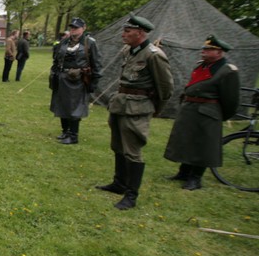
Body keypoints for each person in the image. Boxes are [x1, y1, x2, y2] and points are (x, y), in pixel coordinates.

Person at [96, 15, 173, 210]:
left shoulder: (154, 55)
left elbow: (165, 88)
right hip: (120, 105)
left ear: (140, 33)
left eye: (127, 31)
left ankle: (131, 195)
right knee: (118, 146)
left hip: (137, 108)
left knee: (132, 151)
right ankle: (119, 183)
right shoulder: (128, 51)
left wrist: (155, 109)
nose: (123, 34)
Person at [163, 35, 241, 190]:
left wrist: (219, 116)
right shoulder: (201, 66)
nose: (203, 51)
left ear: (219, 52)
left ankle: (195, 178)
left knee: (202, 146)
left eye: (209, 49)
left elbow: (231, 100)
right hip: (191, 109)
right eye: (204, 48)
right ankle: (183, 173)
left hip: (208, 112)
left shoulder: (227, 71)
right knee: (187, 141)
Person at [49, 18, 102, 144]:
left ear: (84, 28)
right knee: (62, 104)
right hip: (62, 78)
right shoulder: (64, 41)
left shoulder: (90, 43)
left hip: (78, 81)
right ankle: (65, 131)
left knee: (74, 107)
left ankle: (73, 135)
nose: (73, 30)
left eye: (76, 27)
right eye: (72, 27)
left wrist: (93, 83)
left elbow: (97, 63)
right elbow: (56, 59)